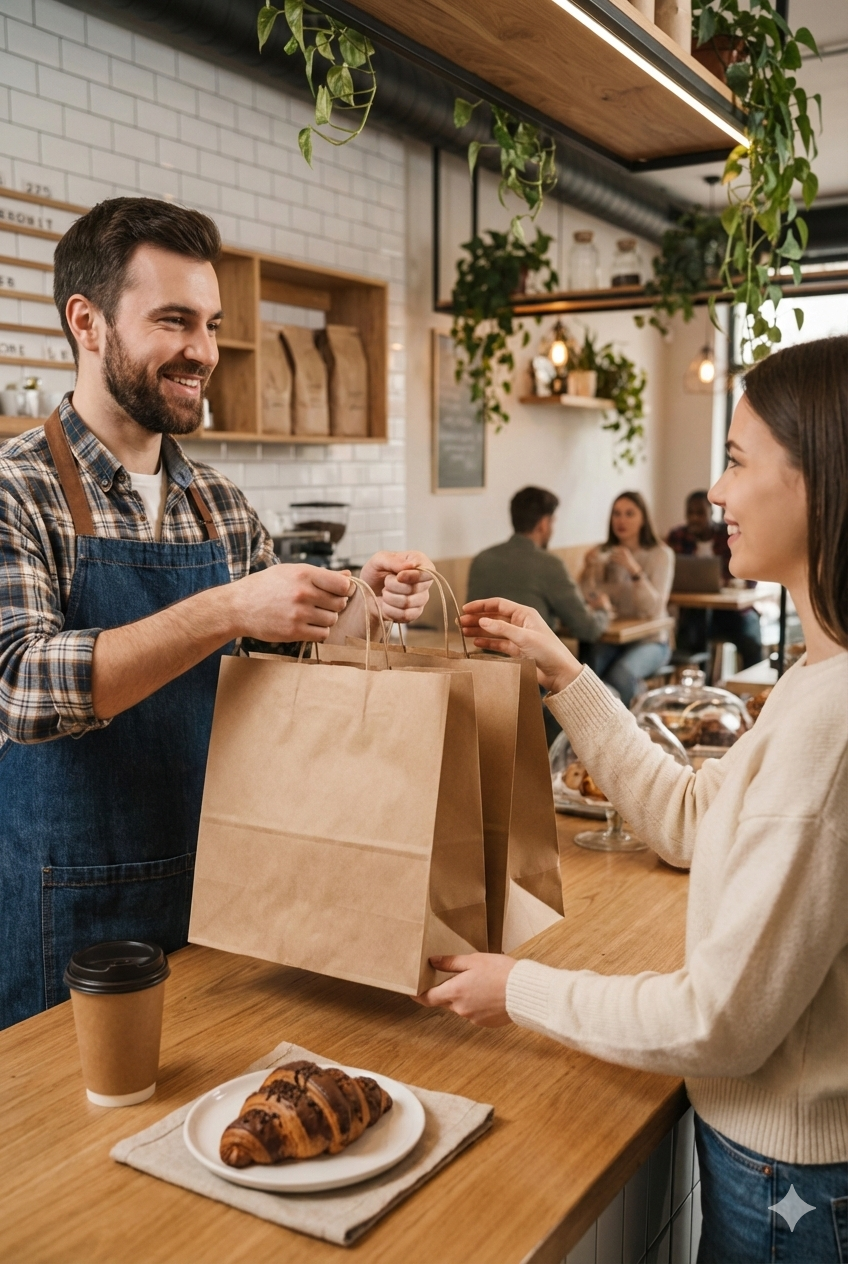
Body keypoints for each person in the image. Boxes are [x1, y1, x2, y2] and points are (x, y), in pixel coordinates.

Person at [418, 336, 848, 1264]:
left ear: (822, 480)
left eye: (736, 461)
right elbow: (691, 820)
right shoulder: (821, 683)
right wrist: (564, 669)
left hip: (796, 1191)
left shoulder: (832, 722)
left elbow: (718, 1022)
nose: (719, 493)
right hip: (778, 1170)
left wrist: (516, 988)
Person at [0, 198, 434, 1029]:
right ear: (86, 323)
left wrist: (362, 605)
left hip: (225, 895)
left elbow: (281, 660)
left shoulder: (219, 507)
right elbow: (23, 690)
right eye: (173, 321)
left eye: (210, 323)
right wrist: (227, 606)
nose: (204, 351)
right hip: (65, 918)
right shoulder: (17, 488)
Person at [467, 486, 611, 743]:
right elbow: (586, 628)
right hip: (531, 688)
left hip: (482, 682)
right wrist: (603, 611)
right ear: (544, 524)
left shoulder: (482, 560)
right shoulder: (548, 565)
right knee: (612, 695)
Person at [579, 491, 674, 706]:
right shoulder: (605, 552)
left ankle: (630, 731)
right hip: (614, 637)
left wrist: (634, 570)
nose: (621, 520)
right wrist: (589, 568)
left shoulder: (660, 554)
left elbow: (653, 608)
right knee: (587, 671)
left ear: (643, 519)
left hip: (651, 640)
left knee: (621, 673)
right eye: (616, 514)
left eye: (629, 514)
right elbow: (587, 597)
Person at [667, 489, 763, 669]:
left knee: (751, 639)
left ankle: (755, 690)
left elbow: (750, 577)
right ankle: (697, 686)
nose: (694, 518)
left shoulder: (729, 535)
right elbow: (668, 574)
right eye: (690, 513)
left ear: (711, 513)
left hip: (731, 613)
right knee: (687, 644)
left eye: (700, 512)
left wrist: (727, 582)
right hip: (693, 612)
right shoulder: (677, 536)